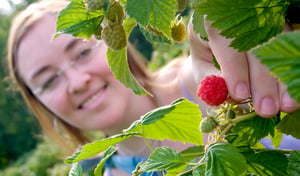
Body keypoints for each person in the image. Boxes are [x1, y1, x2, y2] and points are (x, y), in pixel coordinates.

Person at [6, 0, 299, 175]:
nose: (77, 82)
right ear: (40, 104)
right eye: (48, 81)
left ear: (115, 40)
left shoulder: (209, 74)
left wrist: (249, 22)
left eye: (82, 52)